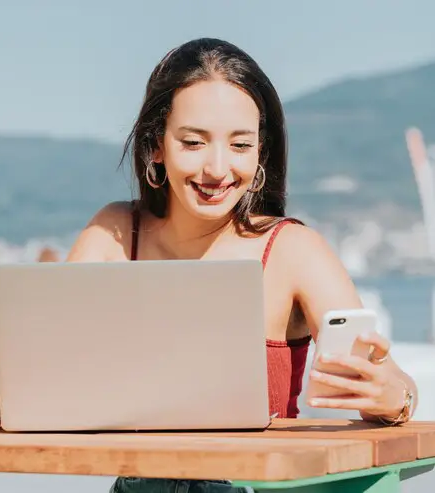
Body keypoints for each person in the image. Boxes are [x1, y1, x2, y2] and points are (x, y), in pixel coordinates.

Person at [66, 38, 418, 492]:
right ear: (156, 145)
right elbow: (53, 369)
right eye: (193, 142)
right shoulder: (115, 233)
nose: (217, 168)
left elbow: (388, 380)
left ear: (260, 154)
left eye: (239, 145)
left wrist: (395, 399)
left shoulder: (293, 250)